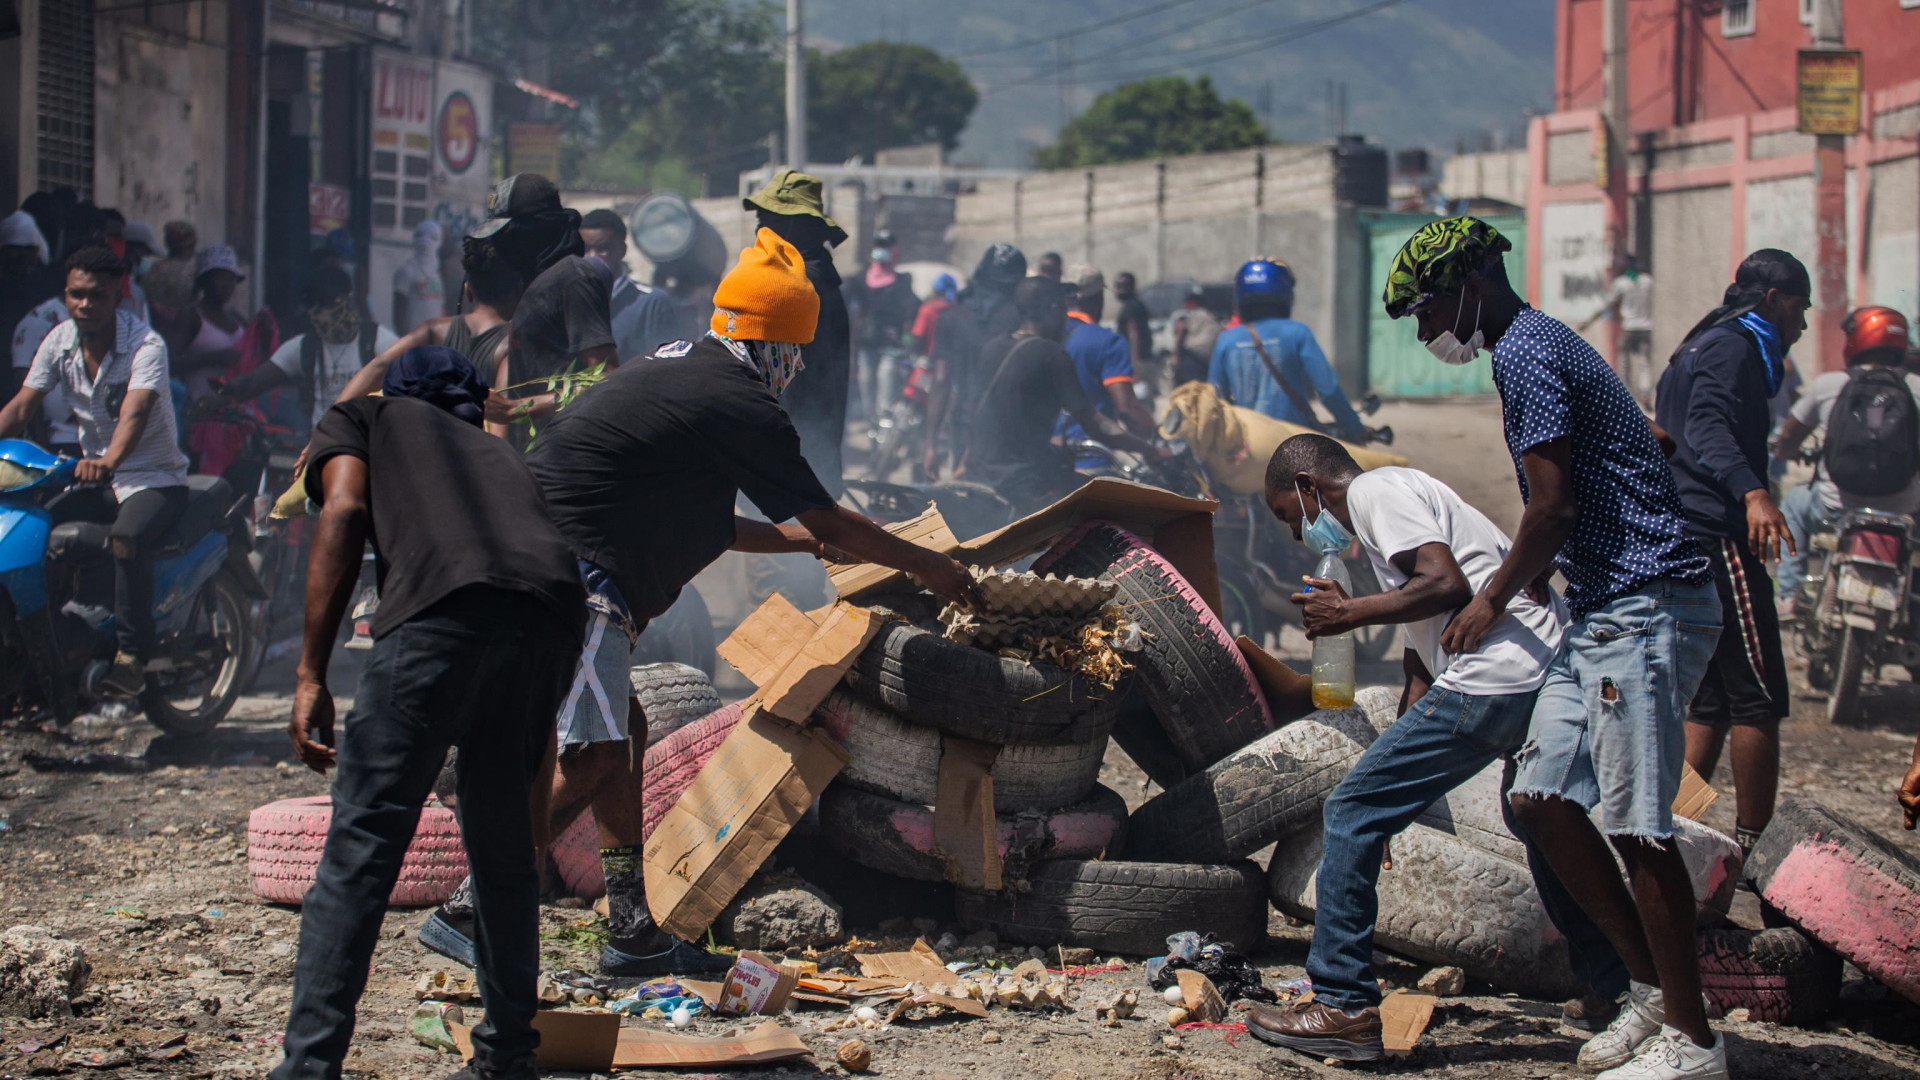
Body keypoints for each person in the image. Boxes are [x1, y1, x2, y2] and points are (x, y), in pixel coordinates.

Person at [419, 228, 984, 980]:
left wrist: (807, 547)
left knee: (626, 731)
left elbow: (714, 524)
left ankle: (630, 930)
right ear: (778, 341)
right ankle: (467, 906)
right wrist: (931, 568)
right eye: (798, 349)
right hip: (569, 577)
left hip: (560, 561)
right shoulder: (737, 399)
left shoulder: (690, 369)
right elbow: (826, 515)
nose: (799, 367)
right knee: (592, 757)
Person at [1386, 216, 1727, 1080]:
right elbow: (1649, 442)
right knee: (1537, 799)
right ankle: (1650, 993)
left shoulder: (1527, 353)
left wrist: (1494, 595)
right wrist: (1563, 560)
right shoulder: (1543, 349)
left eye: (1427, 314)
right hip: (1602, 606)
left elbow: (1551, 506)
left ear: (1469, 285)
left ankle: (1694, 1042)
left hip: (1645, 611)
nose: (1427, 334)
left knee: (1638, 826)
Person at [273, 345, 584, 1080]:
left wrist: (310, 673)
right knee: (506, 861)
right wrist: (530, 816)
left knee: (362, 852)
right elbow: (539, 602)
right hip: (553, 617)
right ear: (475, 408)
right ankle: (509, 1058)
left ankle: (307, 1070)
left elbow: (343, 507)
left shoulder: (365, 415)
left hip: (441, 615)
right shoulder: (504, 460)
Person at [1245, 434, 1568, 1062]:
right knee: (1534, 818)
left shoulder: (1375, 490)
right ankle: (1606, 981)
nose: (1294, 534)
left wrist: (1352, 615)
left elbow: (1444, 583)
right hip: (1530, 675)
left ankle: (1342, 1005)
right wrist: (1387, 785)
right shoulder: (1397, 515)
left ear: (1310, 486)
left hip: (1493, 675)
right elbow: (1420, 669)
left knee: (1347, 810)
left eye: (1289, 515)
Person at [1657, 250, 1808, 856]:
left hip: (1688, 527)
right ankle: (1756, 846)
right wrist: (1753, 494)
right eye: (1798, 310)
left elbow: (1672, 430)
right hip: (1716, 532)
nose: (1800, 325)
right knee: (1759, 696)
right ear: (1772, 301)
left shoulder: (1701, 341)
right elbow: (1706, 426)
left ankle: (1675, 829)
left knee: (1711, 700)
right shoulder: (1735, 346)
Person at [0, 246, 190, 697]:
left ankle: (131, 656)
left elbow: (136, 413)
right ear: (65, 295)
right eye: (76, 294)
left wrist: (108, 461)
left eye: (97, 296)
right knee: (35, 532)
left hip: (152, 478)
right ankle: (55, 643)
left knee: (127, 539)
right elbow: (23, 405)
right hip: (91, 476)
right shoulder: (58, 340)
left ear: (118, 295)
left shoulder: (146, 345)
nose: (85, 305)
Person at [964, 277, 1165, 513]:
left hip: (981, 475)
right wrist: (1152, 451)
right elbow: (1097, 425)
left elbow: (985, 413)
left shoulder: (992, 348)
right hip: (1025, 483)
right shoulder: (1052, 354)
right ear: (1054, 310)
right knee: (1112, 508)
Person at [1773, 306, 1920, 605]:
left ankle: (1789, 594)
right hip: (1902, 509)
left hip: (1835, 507)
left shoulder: (1828, 385)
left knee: (1792, 502)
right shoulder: (1916, 388)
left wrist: (1784, 451)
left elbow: (1788, 437)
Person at [470, 174, 616, 451]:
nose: (502, 245)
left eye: (510, 234)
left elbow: (606, 378)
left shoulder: (573, 278)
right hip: (532, 461)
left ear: (538, 228)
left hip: (567, 462)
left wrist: (517, 408)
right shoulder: (533, 285)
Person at [746, 170, 852, 497]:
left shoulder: (804, 283)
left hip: (797, 440)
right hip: (804, 440)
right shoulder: (813, 274)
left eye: (766, 218)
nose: (758, 228)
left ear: (792, 224)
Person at [332, 230, 526, 407]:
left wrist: (329, 427)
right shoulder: (513, 344)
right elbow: (501, 415)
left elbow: (378, 366)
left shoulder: (434, 330)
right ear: (518, 292)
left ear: (467, 289)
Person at [204, 265, 398, 438]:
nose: (319, 314)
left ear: (345, 302)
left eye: (325, 305)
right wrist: (219, 396)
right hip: (321, 449)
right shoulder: (304, 347)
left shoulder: (380, 343)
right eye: (314, 308)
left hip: (369, 449)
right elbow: (253, 382)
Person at [1209, 259, 1368, 443]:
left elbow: (1215, 397)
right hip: (1291, 443)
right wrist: (1354, 427)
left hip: (1246, 447)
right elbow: (1328, 390)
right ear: (1285, 292)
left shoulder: (1226, 340)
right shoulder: (1298, 333)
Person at [928, 243, 1026, 475]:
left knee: (965, 501)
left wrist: (930, 446)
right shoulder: (1023, 320)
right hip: (1014, 431)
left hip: (965, 423)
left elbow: (940, 382)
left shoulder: (951, 318)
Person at [1057, 265, 1155, 444]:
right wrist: (1156, 443)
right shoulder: (1107, 342)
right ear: (1097, 299)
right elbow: (1127, 410)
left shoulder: (1042, 337)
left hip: (1046, 459)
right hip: (1091, 457)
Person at [580, 208, 680, 365]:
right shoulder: (569, 300)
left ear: (622, 250)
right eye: (585, 249)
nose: (591, 257)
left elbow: (666, 366)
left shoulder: (650, 303)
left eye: (601, 249)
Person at [846, 243, 919, 429]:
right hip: (867, 341)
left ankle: (883, 421)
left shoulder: (901, 282)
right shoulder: (862, 281)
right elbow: (857, 313)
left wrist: (906, 338)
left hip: (890, 342)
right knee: (866, 381)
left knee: (886, 377)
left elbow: (910, 310)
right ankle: (870, 421)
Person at [1582, 256, 1657, 405]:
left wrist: (1589, 320)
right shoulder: (1648, 282)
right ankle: (1644, 393)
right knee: (1644, 363)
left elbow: (1608, 304)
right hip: (1645, 327)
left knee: (1624, 361)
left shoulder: (1622, 284)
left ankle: (1626, 394)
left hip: (1629, 327)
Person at [391, 219, 447, 331]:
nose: (426, 242)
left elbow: (441, 308)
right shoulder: (406, 272)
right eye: (422, 236)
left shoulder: (437, 274)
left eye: (432, 237)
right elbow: (398, 314)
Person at [1171, 284, 1223, 389]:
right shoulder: (1211, 317)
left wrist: (1175, 355)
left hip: (1190, 358)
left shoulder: (1188, 316)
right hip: (1206, 360)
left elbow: (1180, 332)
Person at [910, 272, 958, 361]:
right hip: (949, 363)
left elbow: (918, 336)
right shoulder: (956, 311)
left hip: (928, 362)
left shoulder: (927, 310)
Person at [1111, 271, 1154, 371]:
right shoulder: (1135, 304)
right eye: (1117, 286)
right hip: (1142, 358)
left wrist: (1134, 363)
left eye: (1122, 286)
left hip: (1138, 360)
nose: (1118, 290)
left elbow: (1134, 334)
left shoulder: (1131, 307)